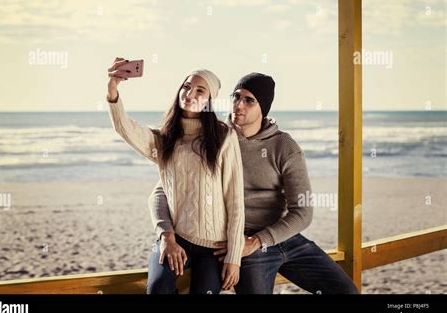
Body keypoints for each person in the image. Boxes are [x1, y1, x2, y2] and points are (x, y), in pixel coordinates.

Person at [150, 72, 359, 294]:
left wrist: (260, 240)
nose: (239, 104)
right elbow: (164, 189)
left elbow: (303, 211)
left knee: (347, 291)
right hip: (241, 242)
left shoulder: (284, 146)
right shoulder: (214, 138)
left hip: (284, 237)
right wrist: (167, 234)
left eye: (249, 100)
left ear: (264, 108)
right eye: (236, 96)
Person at [106, 58, 245, 294]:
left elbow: (235, 201)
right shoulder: (165, 138)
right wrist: (112, 89)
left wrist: (234, 258)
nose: (190, 93)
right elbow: (125, 128)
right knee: (158, 287)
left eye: (200, 90)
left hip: (213, 248)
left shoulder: (224, 136)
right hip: (175, 240)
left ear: (209, 100)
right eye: (186, 86)